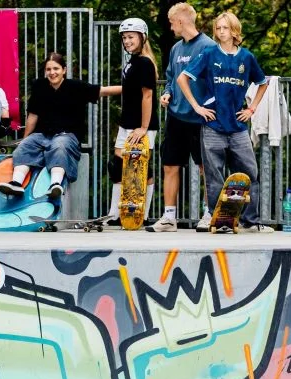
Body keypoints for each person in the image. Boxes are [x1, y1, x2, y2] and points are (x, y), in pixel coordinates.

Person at [178, 12, 272, 233]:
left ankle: (250, 221)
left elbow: (263, 82)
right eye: (218, 28)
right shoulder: (209, 53)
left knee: (250, 173)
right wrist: (197, 107)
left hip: (238, 127)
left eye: (225, 28)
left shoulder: (246, 57)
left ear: (234, 31)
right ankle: (219, 220)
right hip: (213, 125)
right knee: (214, 176)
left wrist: (252, 108)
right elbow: (182, 78)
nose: (221, 32)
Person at [0, 52, 111, 201]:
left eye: (56, 68)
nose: (52, 72)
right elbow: (33, 116)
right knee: (25, 146)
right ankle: (16, 183)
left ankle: (55, 184)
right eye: (48, 69)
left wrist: (130, 88)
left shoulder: (76, 86)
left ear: (64, 70)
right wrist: (25, 139)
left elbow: (102, 91)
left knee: (59, 146)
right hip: (42, 134)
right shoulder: (39, 86)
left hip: (67, 135)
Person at [148, 3, 216, 232]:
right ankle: (169, 218)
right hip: (176, 117)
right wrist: (167, 93)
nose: (170, 27)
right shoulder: (176, 49)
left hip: (200, 119)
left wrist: (206, 107)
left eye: (171, 22)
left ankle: (209, 214)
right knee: (170, 165)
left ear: (180, 21)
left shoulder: (208, 46)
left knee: (206, 168)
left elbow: (215, 82)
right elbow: (170, 78)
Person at [101, 18, 160, 225]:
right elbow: (129, 90)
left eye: (131, 37)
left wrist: (143, 127)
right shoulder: (133, 60)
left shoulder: (144, 63)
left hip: (141, 124)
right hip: (127, 122)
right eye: (124, 38)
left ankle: (143, 215)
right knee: (118, 165)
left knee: (141, 166)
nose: (127, 41)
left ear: (142, 37)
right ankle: (116, 213)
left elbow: (147, 95)